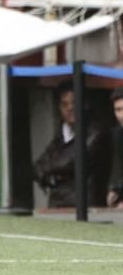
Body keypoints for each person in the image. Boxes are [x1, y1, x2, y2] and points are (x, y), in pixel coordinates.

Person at [32, 81, 110, 209]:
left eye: (74, 103)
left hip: (85, 205)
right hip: (57, 202)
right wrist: (50, 173)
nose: (70, 108)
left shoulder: (96, 132)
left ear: (85, 104)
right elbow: (37, 167)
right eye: (64, 104)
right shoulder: (62, 132)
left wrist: (51, 174)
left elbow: (69, 161)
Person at [107, 88, 123, 208]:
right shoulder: (116, 134)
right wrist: (114, 189)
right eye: (118, 110)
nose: (122, 115)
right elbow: (117, 167)